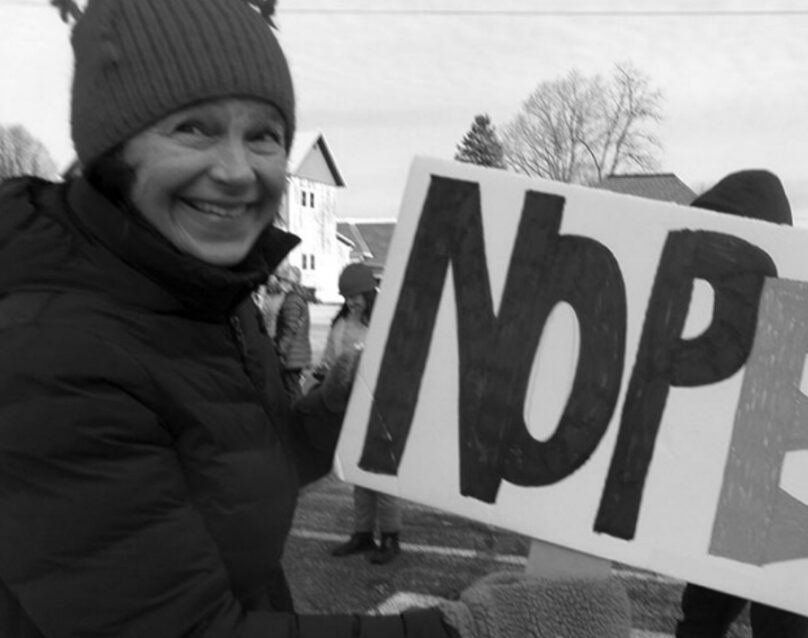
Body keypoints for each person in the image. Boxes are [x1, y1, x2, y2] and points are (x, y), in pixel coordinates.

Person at [0, 1, 630, 636]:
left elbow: (238, 474)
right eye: (193, 128)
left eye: (264, 135)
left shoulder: (196, 286)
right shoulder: (45, 351)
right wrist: (481, 630)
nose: (237, 170)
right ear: (111, 149)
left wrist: (336, 405)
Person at [674, 169, 808, 638]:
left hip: (786, 504)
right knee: (700, 618)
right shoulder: (709, 310)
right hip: (731, 493)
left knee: (786, 624)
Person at [321, 263, 403, 565]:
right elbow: (329, 362)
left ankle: (391, 537)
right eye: (346, 297)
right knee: (358, 474)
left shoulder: (384, 321)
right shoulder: (340, 324)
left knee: (382, 475)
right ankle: (363, 534)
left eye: (356, 296)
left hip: (381, 407)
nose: (351, 302)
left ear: (369, 292)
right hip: (348, 408)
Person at [275, 264, 313, 401]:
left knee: (292, 391)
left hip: (292, 355)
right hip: (297, 352)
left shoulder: (292, 301)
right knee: (293, 388)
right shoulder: (298, 297)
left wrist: (280, 349)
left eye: (282, 280)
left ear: (289, 282)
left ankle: (297, 418)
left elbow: (289, 328)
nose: (279, 283)